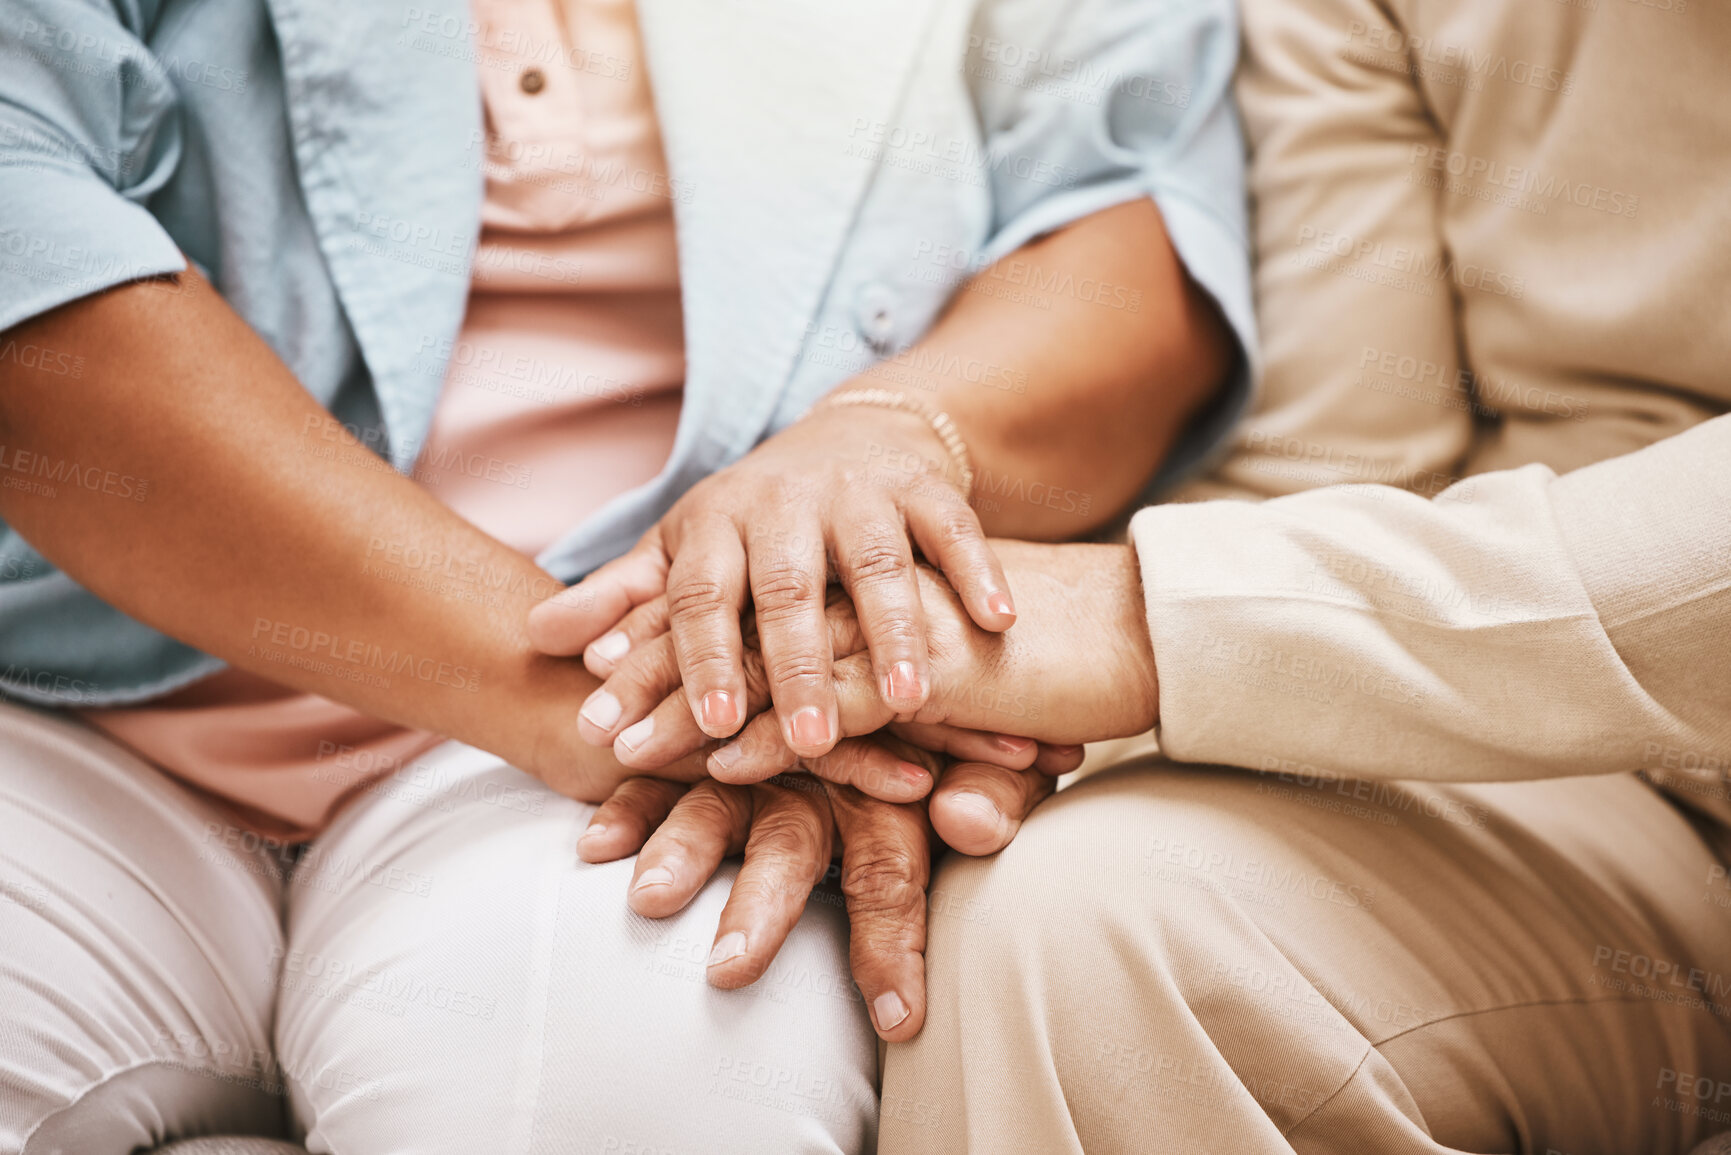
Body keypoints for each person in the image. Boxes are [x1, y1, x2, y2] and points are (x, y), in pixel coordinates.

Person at [0, 0, 1251, 1149]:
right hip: (77, 703)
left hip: (595, 792)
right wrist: (654, 698)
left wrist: (883, 443)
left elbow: (1127, 224)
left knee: (650, 1096)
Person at [568, 0, 1731, 1149]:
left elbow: (1212, 600)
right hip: (1579, 775)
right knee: (1074, 927)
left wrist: (1147, 624)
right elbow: (1334, 471)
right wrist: (944, 730)